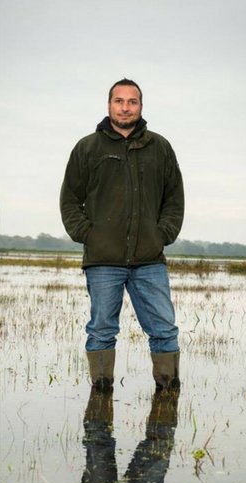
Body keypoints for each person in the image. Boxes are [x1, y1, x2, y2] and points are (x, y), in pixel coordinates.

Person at [60, 78, 185, 392]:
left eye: (132, 101)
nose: (125, 107)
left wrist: (162, 235)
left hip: (150, 260)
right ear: (109, 105)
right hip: (103, 260)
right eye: (119, 101)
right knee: (101, 330)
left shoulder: (160, 147)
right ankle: (101, 401)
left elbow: (174, 198)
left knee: (164, 329)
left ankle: (167, 396)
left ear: (141, 106)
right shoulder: (87, 147)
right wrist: (88, 235)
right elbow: (70, 199)